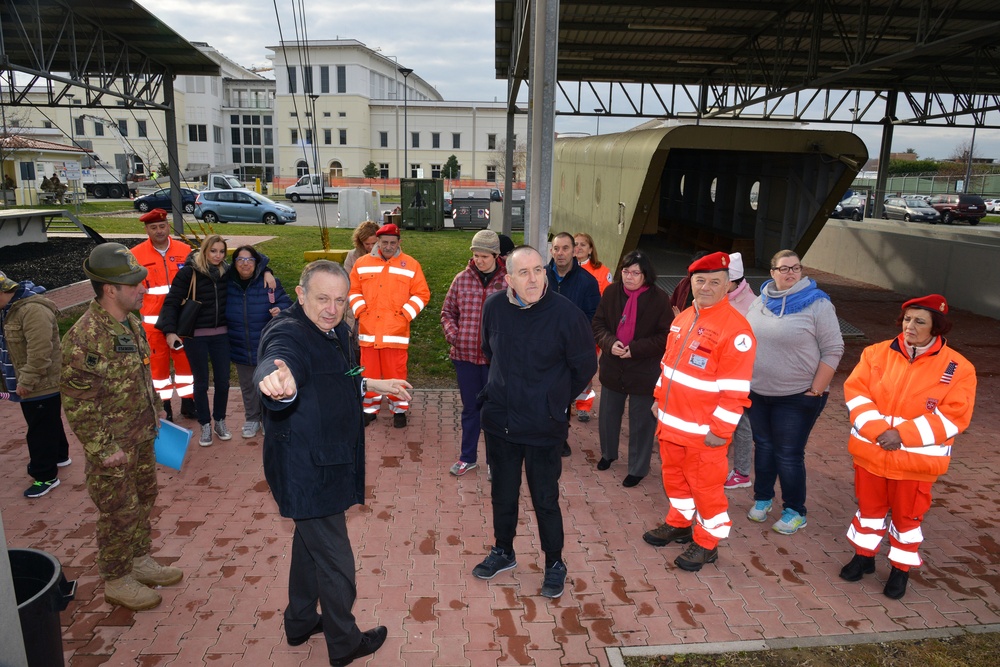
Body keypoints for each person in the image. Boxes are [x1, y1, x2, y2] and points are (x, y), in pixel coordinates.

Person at [255, 260, 409, 665]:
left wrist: (373, 382)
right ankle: (345, 643)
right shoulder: (288, 331)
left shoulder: (336, 328)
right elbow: (278, 360)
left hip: (331, 459)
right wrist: (277, 382)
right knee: (337, 562)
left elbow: (342, 371)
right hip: (306, 468)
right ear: (301, 295)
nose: (332, 308)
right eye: (322, 298)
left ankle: (301, 620)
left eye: (340, 300)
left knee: (310, 546)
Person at [61, 243, 183, 611]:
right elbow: (78, 402)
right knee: (118, 512)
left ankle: (139, 558)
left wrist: (156, 409)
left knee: (144, 500)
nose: (143, 289)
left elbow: (141, 373)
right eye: (134, 284)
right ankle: (116, 578)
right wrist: (102, 449)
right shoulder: (85, 339)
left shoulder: (129, 321)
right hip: (112, 447)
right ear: (109, 290)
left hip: (141, 434)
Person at [473, 246, 597, 599]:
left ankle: (555, 562)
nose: (533, 278)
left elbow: (585, 367)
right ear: (508, 278)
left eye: (538, 271)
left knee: (545, 498)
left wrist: (552, 400)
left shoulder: (567, 315)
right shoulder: (494, 306)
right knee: (503, 493)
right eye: (523, 272)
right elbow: (489, 350)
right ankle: (503, 550)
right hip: (500, 422)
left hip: (543, 426)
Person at [840, 294, 976, 600]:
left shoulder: (959, 367)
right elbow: (857, 393)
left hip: (915, 464)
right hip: (871, 454)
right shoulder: (876, 353)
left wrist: (901, 435)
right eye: (907, 319)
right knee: (869, 512)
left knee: (907, 520)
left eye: (919, 321)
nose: (909, 326)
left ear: (936, 327)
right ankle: (864, 558)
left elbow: (954, 416)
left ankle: (900, 570)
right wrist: (878, 431)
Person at [643, 252, 755, 572]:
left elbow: (736, 392)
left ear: (728, 286)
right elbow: (669, 366)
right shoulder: (683, 317)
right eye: (700, 280)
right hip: (671, 423)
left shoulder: (736, 330)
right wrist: (657, 399)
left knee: (706, 490)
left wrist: (720, 432)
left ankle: (707, 543)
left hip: (703, 433)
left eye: (714, 282)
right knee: (674, 480)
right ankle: (679, 523)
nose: (705, 287)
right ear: (690, 282)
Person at [744, 250, 844, 535]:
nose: (790, 273)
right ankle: (763, 498)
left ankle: (795, 510)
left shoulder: (818, 304)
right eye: (784, 268)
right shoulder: (759, 301)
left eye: (796, 268)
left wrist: (816, 388)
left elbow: (834, 349)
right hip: (759, 392)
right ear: (772, 272)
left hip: (798, 396)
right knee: (763, 446)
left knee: (788, 453)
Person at [158, 235, 273, 446]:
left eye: (221, 251)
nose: (217, 256)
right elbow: (172, 301)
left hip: (221, 336)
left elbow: (254, 262)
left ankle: (219, 421)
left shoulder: (226, 272)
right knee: (201, 383)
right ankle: (205, 425)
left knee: (223, 382)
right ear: (204, 251)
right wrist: (169, 331)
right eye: (213, 251)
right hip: (196, 337)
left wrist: (267, 271)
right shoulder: (189, 273)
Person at [592, 250, 671, 487]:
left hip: (644, 369)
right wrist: (609, 342)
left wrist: (634, 349)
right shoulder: (611, 292)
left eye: (635, 273)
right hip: (613, 366)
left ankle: (638, 468)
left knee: (641, 422)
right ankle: (608, 454)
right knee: (608, 416)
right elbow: (598, 323)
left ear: (646, 275)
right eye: (626, 271)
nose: (629, 277)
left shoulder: (659, 299)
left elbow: (666, 336)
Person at [348, 222, 430, 428]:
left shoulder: (411, 264)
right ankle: (369, 410)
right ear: (377, 242)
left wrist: (405, 315)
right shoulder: (362, 263)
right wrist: (361, 311)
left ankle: (399, 411)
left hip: (396, 333)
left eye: (393, 242)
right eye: (384, 242)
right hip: (368, 332)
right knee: (369, 374)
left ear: (399, 242)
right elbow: (352, 290)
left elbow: (422, 294)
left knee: (397, 374)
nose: (388, 246)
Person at [440, 229, 508, 477]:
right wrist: (455, 337)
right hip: (465, 357)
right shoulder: (461, 279)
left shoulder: (507, 281)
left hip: (496, 361)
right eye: (476, 255)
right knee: (471, 409)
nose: (478, 260)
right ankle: (467, 458)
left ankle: (494, 462)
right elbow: (447, 313)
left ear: (496, 255)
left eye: (484, 256)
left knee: (494, 412)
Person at [0, 271, 71, 497]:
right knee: (48, 421)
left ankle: (44, 476)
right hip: (30, 382)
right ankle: (60, 456)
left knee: (39, 430)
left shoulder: (32, 311)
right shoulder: (10, 310)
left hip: (39, 383)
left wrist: (27, 381)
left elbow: (40, 352)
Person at [131, 208, 196, 422]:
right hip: (153, 324)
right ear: (146, 230)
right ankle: (164, 405)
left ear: (168, 226)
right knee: (158, 367)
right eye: (153, 228)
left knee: (186, 362)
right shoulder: (136, 255)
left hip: (182, 319)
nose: (159, 231)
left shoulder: (185, 250)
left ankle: (188, 401)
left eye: (162, 226)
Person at [225, 245, 292, 439]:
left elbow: (287, 303)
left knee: (269, 383)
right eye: (240, 260)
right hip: (239, 342)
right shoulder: (227, 283)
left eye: (250, 260)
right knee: (247, 384)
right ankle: (251, 419)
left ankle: (268, 419)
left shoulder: (269, 282)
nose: (245, 264)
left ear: (257, 263)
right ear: (234, 264)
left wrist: (279, 309)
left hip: (265, 344)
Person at [545, 231, 600, 452]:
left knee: (563, 394)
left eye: (565, 248)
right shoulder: (541, 276)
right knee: (542, 392)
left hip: (570, 348)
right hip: (543, 345)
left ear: (574, 251)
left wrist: (573, 338)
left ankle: (560, 437)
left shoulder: (587, 281)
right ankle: (543, 434)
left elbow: (592, 315)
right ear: (551, 251)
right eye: (556, 248)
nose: (560, 253)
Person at [722, 252, 757, 491]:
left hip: (738, 373)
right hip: (719, 370)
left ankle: (743, 472)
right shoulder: (727, 297)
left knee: (741, 423)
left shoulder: (750, 304)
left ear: (733, 280)